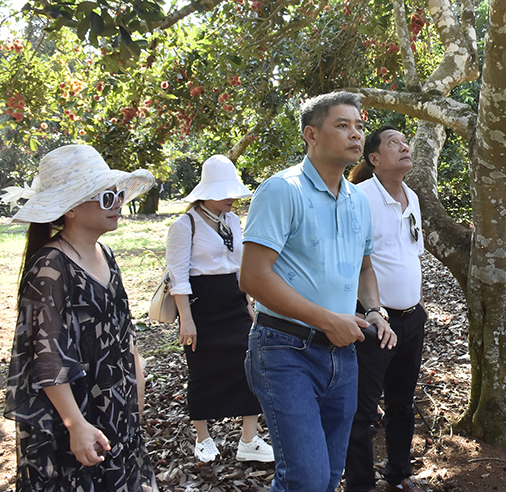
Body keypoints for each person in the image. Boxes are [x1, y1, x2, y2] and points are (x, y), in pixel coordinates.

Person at [240, 91, 396, 492]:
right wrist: (329, 320)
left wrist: (375, 310)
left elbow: (364, 268)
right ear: (311, 134)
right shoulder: (282, 190)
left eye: (359, 126)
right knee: (305, 478)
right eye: (342, 125)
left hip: (342, 355)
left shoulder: (357, 201)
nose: (356, 135)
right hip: (284, 350)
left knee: (326, 476)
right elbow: (253, 278)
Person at [1, 145, 158, 491]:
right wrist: (75, 424)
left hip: (116, 408)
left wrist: (137, 381)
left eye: (118, 194)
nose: (117, 203)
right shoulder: (50, 268)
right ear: (70, 207)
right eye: (106, 197)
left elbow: (121, 329)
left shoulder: (106, 253)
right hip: (76, 416)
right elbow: (47, 355)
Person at [165, 154, 273, 463]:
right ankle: (203, 438)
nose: (231, 198)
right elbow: (178, 275)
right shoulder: (185, 225)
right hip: (203, 305)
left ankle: (249, 438)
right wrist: (186, 319)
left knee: (247, 365)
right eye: (224, 191)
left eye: (233, 191)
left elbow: (239, 266)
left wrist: (248, 301)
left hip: (233, 302)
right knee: (203, 370)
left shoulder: (231, 221)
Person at [344, 126, 428, 492]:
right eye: (393, 142)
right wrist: (367, 312)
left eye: (404, 140)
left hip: (411, 319)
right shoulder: (359, 197)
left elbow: (411, 254)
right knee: (361, 412)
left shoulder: (412, 196)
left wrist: (419, 307)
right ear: (374, 158)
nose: (404, 145)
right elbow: (353, 262)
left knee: (402, 404)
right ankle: (360, 483)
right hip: (373, 321)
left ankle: (399, 474)